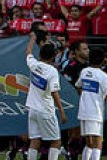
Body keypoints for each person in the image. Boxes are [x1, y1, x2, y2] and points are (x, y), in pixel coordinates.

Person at [24, 32, 68, 160]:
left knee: (35, 140)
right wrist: (62, 112)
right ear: (54, 56)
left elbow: (28, 52)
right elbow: (54, 92)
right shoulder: (52, 71)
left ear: (39, 54)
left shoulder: (34, 64)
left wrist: (33, 39)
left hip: (32, 109)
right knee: (56, 141)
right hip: (45, 110)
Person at [76, 48, 107, 160]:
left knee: (89, 143)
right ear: (102, 60)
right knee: (98, 143)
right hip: (95, 113)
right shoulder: (103, 76)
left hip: (83, 112)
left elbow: (78, 86)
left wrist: (86, 97)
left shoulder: (84, 71)